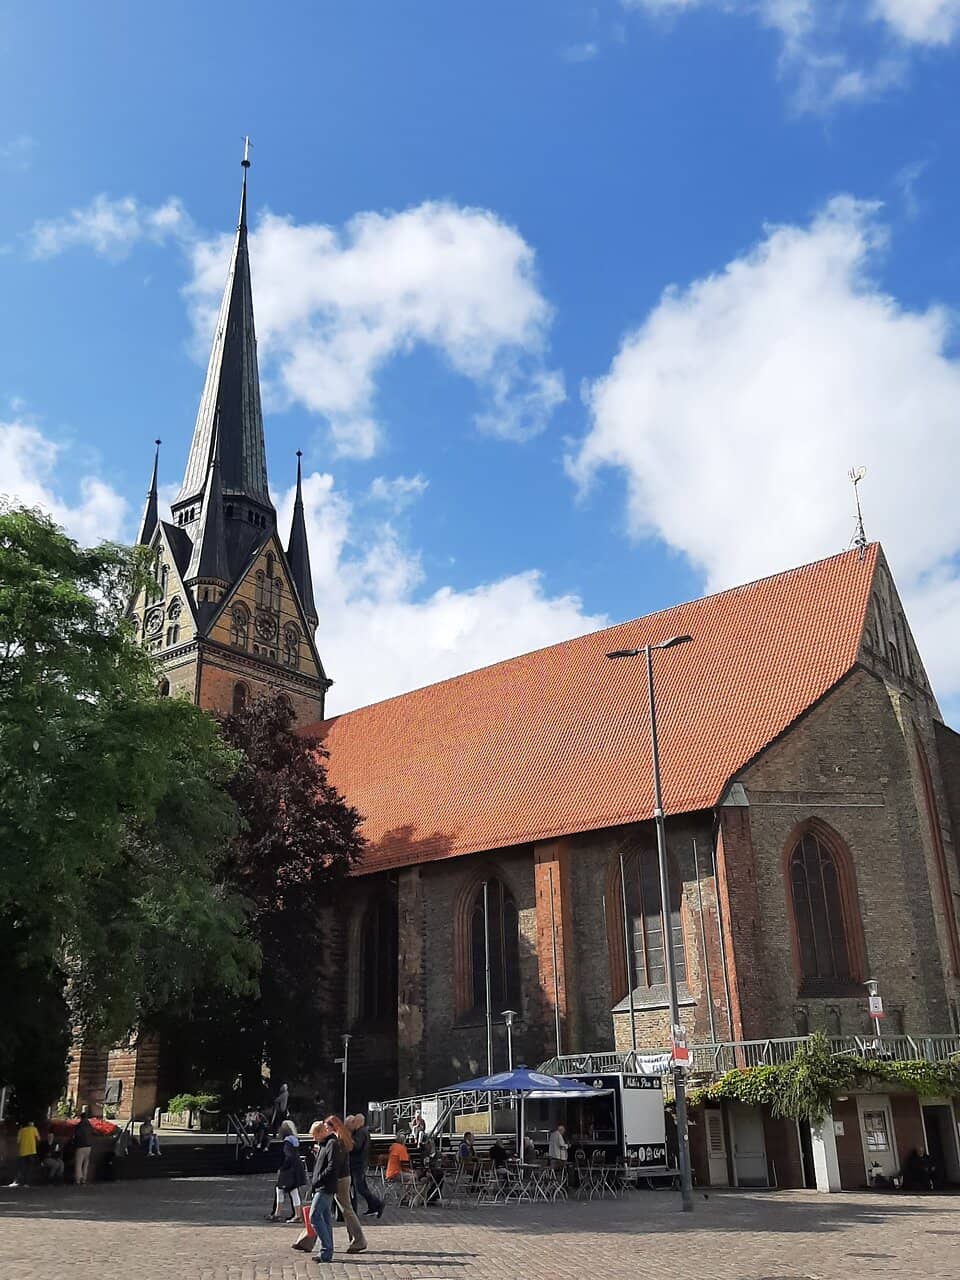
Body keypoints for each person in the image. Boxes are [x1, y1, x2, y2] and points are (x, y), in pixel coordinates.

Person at [326, 1115, 367, 1255]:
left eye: (327, 1126)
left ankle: (358, 1239)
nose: (325, 1129)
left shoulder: (338, 1140)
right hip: (342, 1177)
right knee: (344, 1209)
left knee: (345, 1209)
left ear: (333, 1127)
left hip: (339, 1178)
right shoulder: (342, 1138)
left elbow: (335, 1162)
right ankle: (356, 1239)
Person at [308, 1120, 338, 1264]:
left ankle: (326, 1249)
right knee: (325, 1220)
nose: (314, 1139)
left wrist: (319, 1179)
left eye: (315, 1135)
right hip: (323, 1186)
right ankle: (327, 1252)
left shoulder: (331, 1143)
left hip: (325, 1187)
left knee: (314, 1216)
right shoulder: (324, 1144)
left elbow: (332, 1166)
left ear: (321, 1132)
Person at [268, 1120, 307, 1222]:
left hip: (289, 1171)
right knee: (293, 1191)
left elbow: (288, 1157)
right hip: (296, 1170)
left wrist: (282, 1167)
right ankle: (295, 1214)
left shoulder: (287, 1142)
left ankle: (279, 1213)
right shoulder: (294, 1141)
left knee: (280, 1189)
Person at [348, 1113, 383, 1218]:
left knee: (360, 1188)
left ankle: (378, 1203)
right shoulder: (363, 1132)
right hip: (360, 1163)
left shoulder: (360, 1132)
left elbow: (356, 1147)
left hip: (357, 1164)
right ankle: (373, 1206)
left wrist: (349, 1141)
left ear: (358, 1122)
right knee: (362, 1187)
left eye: (354, 1122)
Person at [12, 1119, 40, 1187]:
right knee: (29, 1167)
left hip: (23, 1151)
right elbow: (38, 1138)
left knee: (22, 1167)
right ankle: (27, 1182)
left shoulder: (21, 1130)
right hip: (32, 1151)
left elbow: (18, 1141)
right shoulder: (34, 1129)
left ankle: (20, 1181)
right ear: (30, 1123)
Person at [73, 1108, 95, 1185]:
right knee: (86, 1164)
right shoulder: (90, 1126)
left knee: (79, 1163)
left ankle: (78, 1179)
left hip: (81, 1146)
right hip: (89, 1146)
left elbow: (76, 1136)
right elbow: (94, 1134)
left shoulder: (79, 1126)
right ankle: (84, 1179)